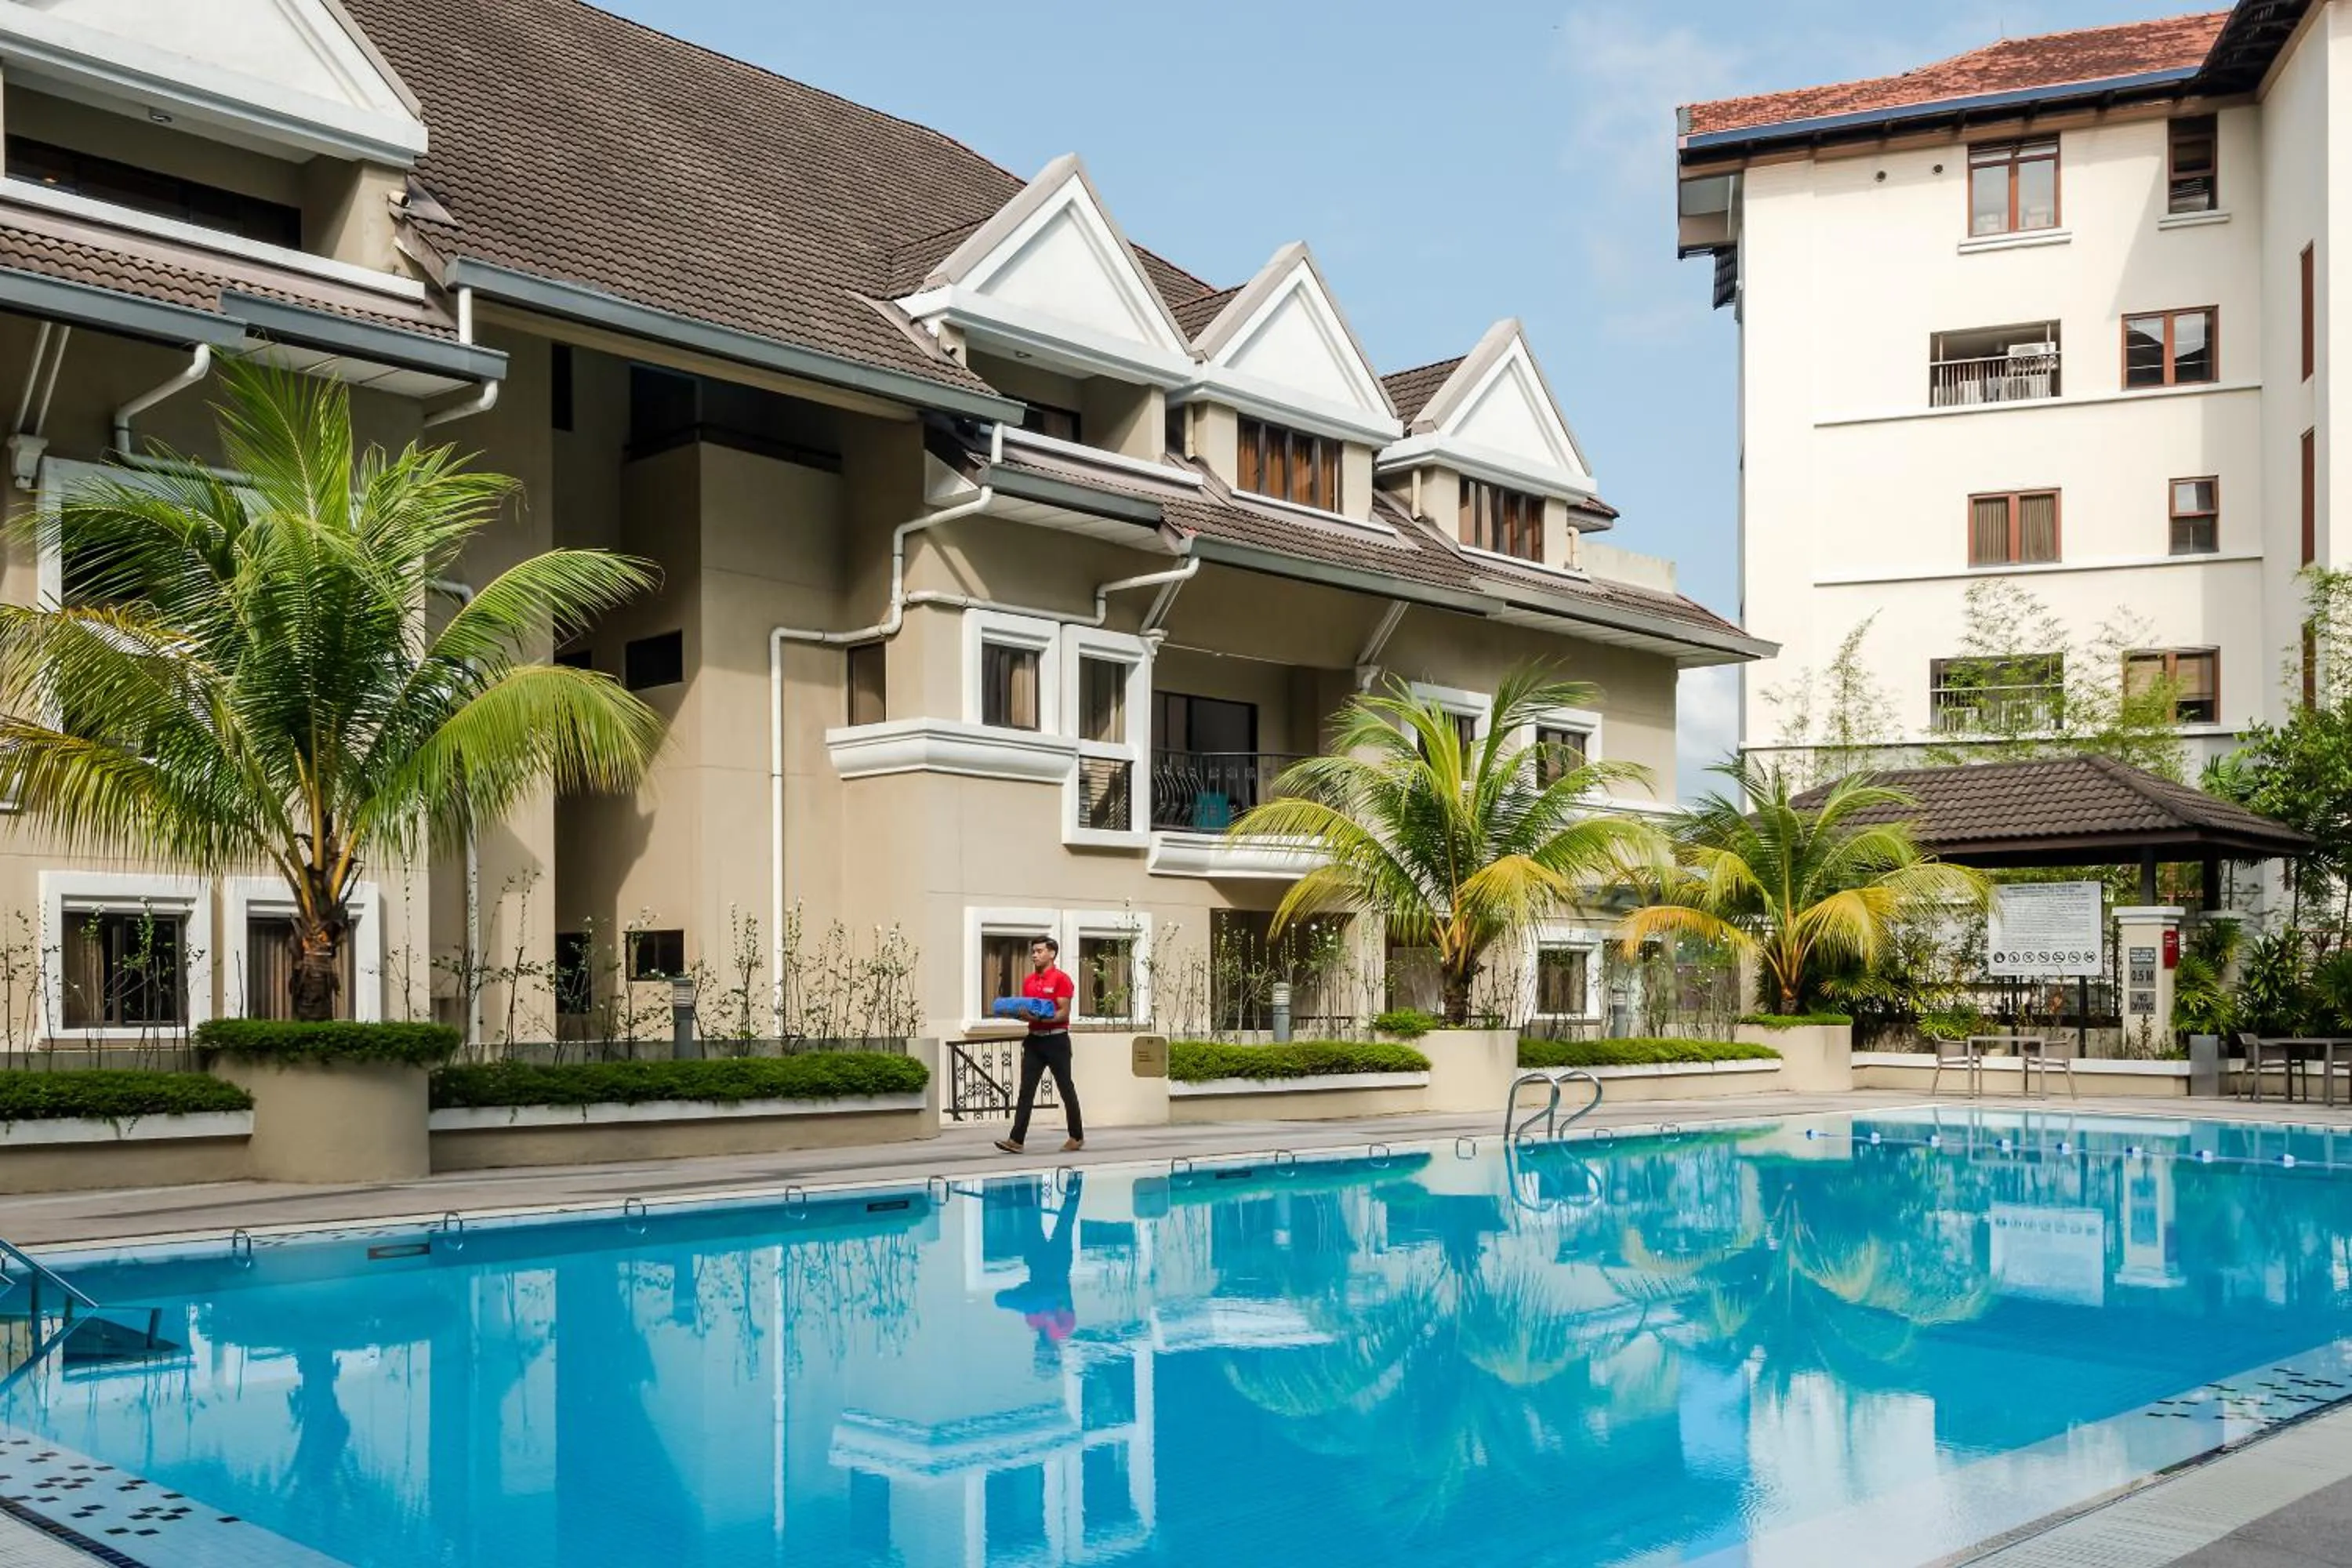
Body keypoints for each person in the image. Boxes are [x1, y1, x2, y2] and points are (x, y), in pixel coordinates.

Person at [995, 935, 1083, 1154]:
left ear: (1052, 954)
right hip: (1034, 1040)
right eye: (1033, 951)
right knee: (1026, 1091)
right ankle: (1016, 1140)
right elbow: (1030, 1014)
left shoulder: (1062, 979)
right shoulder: (1029, 981)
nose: (1034, 954)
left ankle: (1076, 1136)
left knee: (1065, 1088)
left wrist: (1041, 1019)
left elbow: (1063, 1012)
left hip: (1057, 1040)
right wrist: (1017, 1014)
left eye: (1039, 951)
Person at [992, 1172, 1082, 1374]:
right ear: (1055, 1353)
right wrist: (1046, 1307)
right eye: (1045, 1355)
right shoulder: (1065, 1328)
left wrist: (1028, 1295)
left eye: (1038, 1354)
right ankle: (1076, 1177)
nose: (1040, 1350)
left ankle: (1021, 1179)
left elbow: (1026, 1292)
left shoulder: (1033, 1322)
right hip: (1058, 1267)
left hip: (1037, 1265)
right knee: (1066, 1219)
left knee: (1028, 1219)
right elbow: (1062, 1298)